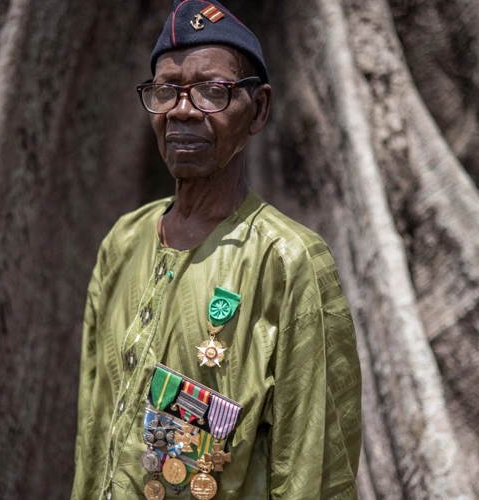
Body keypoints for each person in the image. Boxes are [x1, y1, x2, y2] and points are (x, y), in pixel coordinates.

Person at [72, 1, 361, 498]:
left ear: (259, 109)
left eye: (211, 91)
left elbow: (314, 468)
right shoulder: (123, 242)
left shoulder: (288, 261)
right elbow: (93, 432)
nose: (182, 110)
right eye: (166, 91)